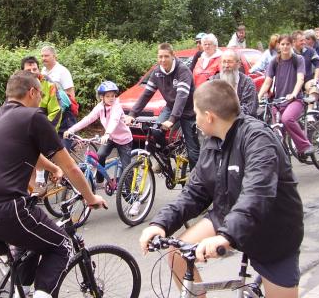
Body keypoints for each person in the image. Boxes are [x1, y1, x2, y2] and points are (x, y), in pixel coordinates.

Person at [139, 80, 304, 298]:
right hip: (228, 216)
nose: (195, 120)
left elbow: (257, 194)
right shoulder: (213, 141)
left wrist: (225, 236)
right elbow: (194, 192)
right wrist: (160, 223)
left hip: (271, 230)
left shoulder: (258, 139)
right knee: (178, 253)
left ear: (209, 116)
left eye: (197, 113)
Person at [0, 71, 106, 298]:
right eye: (41, 93)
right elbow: (73, 168)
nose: (42, 98)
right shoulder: (34, 117)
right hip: (5, 210)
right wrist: (90, 198)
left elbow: (28, 150)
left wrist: (52, 168)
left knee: (30, 242)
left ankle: (23, 292)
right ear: (32, 92)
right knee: (62, 246)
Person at [124, 43, 200, 169]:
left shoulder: (183, 71)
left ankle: (196, 182)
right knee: (156, 131)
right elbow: (146, 95)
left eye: (166, 56)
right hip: (171, 107)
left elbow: (181, 97)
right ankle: (165, 158)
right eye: (160, 57)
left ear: (173, 56)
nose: (163, 60)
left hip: (188, 111)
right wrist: (132, 114)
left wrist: (171, 120)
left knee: (193, 152)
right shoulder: (157, 72)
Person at [64, 80, 132, 186]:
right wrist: (71, 130)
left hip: (124, 140)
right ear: (102, 97)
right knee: (100, 155)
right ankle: (100, 180)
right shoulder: (100, 107)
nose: (111, 98)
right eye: (108, 96)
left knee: (126, 167)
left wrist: (107, 134)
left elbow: (114, 120)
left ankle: (129, 193)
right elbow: (88, 119)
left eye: (113, 96)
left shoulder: (117, 106)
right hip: (111, 138)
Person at [257, 34, 314, 157]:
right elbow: (267, 82)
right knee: (276, 132)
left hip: (295, 100)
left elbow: (300, 79)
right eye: (282, 44)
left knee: (287, 119)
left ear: (292, 44)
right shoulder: (274, 61)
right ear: (278, 45)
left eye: (287, 44)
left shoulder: (298, 59)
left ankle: (305, 145)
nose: (285, 47)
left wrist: (293, 94)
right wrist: (258, 97)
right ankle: (283, 162)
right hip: (277, 102)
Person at [21, 56, 64, 193]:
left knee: (34, 148)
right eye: (29, 69)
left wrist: (45, 130)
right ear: (22, 72)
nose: (33, 72)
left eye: (35, 69)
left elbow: (56, 110)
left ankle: (40, 180)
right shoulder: (18, 85)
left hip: (45, 122)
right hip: (25, 124)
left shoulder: (49, 84)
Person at [40, 45, 77, 148]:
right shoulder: (42, 71)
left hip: (65, 114)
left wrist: (66, 112)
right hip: (51, 112)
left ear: (54, 56)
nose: (43, 58)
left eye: (46, 55)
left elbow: (71, 95)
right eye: (42, 56)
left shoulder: (62, 71)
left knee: (63, 147)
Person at [210, 49, 258, 117]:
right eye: (224, 62)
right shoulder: (213, 82)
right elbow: (208, 104)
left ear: (238, 64)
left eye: (230, 62)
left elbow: (249, 109)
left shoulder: (247, 83)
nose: (226, 65)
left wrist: (226, 114)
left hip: (241, 123)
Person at [292, 30, 319, 101]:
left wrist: (315, 79)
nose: (304, 42)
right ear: (294, 41)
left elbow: (318, 64)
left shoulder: (310, 50)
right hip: (292, 83)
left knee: (314, 88)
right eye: (301, 41)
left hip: (307, 81)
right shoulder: (288, 53)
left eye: (304, 40)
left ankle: (310, 110)